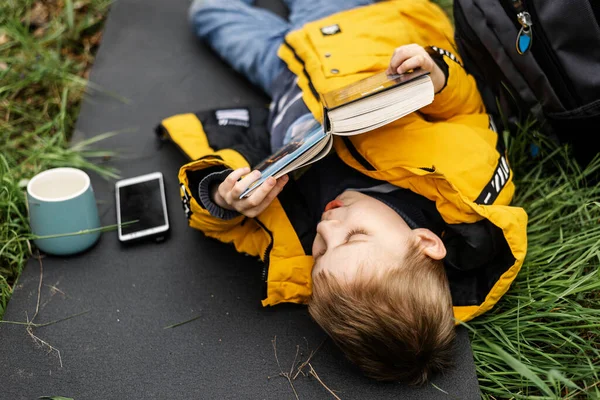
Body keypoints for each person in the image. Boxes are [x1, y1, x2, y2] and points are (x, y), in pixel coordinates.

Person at [158, 0, 528, 385]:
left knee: (206, 12)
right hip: (350, 33)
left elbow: (227, 228)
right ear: (425, 242)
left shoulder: (303, 255)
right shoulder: (462, 181)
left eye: (320, 252)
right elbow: (468, 112)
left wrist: (224, 198)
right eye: (353, 237)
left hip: (283, 73)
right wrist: (436, 77)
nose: (326, 229)